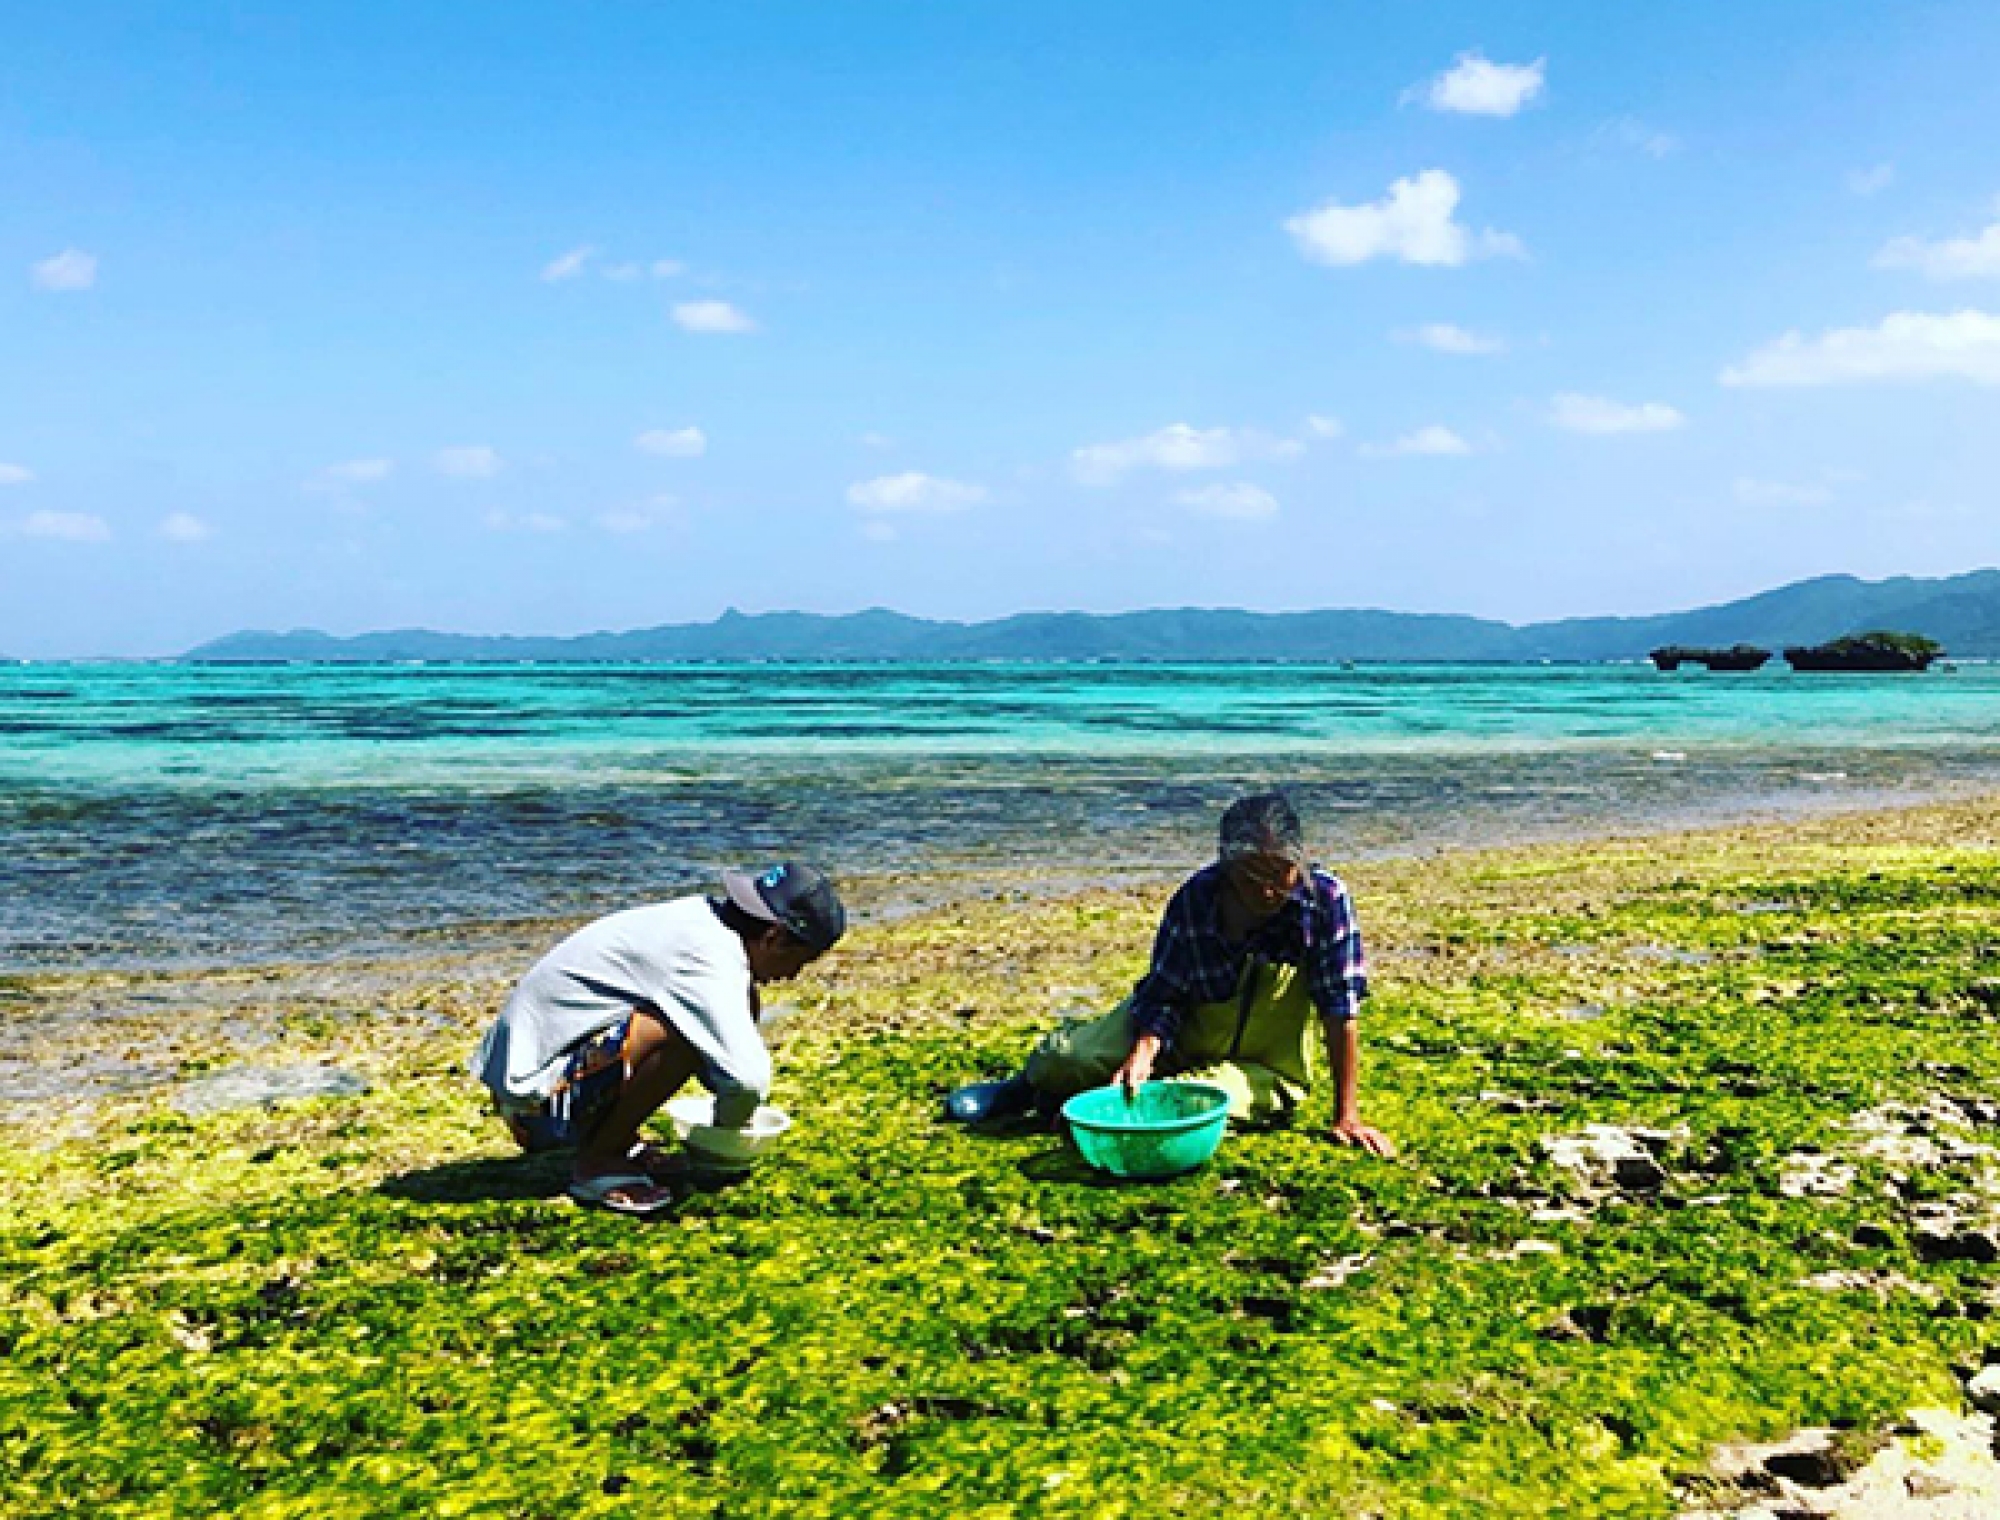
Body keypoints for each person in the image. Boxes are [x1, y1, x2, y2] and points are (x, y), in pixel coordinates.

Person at [946, 793, 1394, 1156]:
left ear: (1301, 862)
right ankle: (1028, 1087)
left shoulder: (1325, 903)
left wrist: (1346, 1113)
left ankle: (1079, 1107)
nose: (1268, 891)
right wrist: (1143, 1051)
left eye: (1281, 874)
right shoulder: (1198, 897)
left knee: (1186, 1107)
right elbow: (1163, 992)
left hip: (1264, 1065)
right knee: (1070, 1059)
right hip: (1179, 1036)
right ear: (1226, 867)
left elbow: (1341, 1010)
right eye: (1251, 876)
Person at [471, 861, 847, 1215]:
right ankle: (597, 1162)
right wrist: (727, 1136)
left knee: (730, 1008)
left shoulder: (700, 920)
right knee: (677, 1032)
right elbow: (747, 1078)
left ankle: (618, 1141)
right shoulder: (706, 956)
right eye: (801, 960)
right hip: (536, 1111)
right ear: (775, 937)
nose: (793, 975)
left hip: (540, 1091)